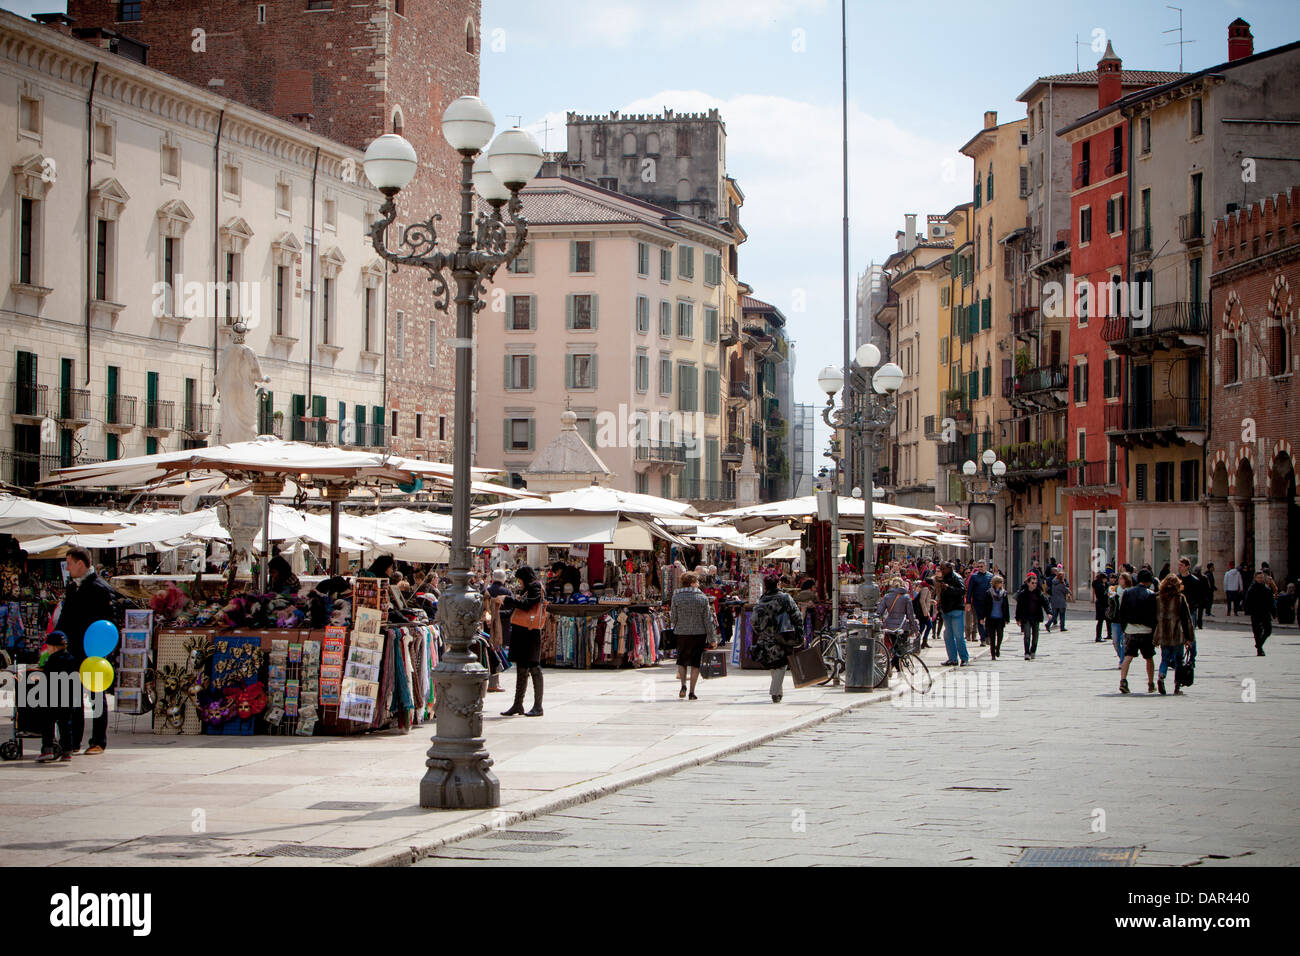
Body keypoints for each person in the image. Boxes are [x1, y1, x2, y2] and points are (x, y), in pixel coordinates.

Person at [56, 546, 118, 755]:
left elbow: (109, 621)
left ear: (80, 564)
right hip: (73, 650)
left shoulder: (99, 588)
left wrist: (104, 651)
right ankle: (73, 741)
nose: (68, 568)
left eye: (70, 563)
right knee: (72, 698)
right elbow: (66, 618)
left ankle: (98, 741)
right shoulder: (73, 587)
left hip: (94, 653)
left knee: (95, 697)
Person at [500, 566, 545, 716]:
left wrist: (507, 599)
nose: (519, 582)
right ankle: (518, 704)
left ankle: (538, 707)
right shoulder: (528, 589)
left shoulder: (535, 587)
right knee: (521, 668)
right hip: (522, 633)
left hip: (530, 633)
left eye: (519, 579)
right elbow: (516, 611)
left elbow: (527, 606)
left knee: (533, 667)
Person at [752, 575, 804, 703]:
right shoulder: (785, 598)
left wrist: (760, 632)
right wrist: (799, 632)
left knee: (773, 663)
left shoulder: (762, 600)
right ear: (778, 584)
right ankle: (775, 692)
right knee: (781, 663)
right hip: (783, 634)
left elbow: (754, 620)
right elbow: (796, 615)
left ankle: (778, 692)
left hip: (766, 636)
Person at [669, 571, 717, 701]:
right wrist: (713, 639)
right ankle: (692, 692)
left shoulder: (676, 597)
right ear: (692, 583)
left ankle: (683, 685)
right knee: (695, 663)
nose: (699, 584)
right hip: (698, 634)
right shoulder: (702, 598)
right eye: (697, 582)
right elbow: (708, 620)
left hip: (681, 633)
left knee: (682, 661)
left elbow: (673, 618)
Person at [36, 631, 78, 763]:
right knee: (66, 725)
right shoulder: (71, 659)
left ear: (53, 647)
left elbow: (47, 677)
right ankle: (67, 752)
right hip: (68, 698)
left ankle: (47, 750)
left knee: (47, 723)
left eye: (47, 646)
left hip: (53, 698)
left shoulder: (52, 660)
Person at [1153, 573, 1196, 696]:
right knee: (1178, 660)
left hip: (1163, 633)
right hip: (1177, 634)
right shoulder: (1180, 598)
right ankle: (1177, 686)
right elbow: (1186, 619)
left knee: (1165, 658)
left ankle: (1161, 676)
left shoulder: (1158, 598)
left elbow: (1154, 618)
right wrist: (1189, 638)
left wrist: (1155, 637)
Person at [1117, 568, 1158, 694]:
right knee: (1149, 658)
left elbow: (1122, 612)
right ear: (1148, 581)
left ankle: (1123, 680)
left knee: (1128, 656)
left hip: (1131, 629)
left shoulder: (1128, 592)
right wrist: (1154, 631)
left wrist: (1124, 628)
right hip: (1146, 630)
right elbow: (1154, 615)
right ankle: (1151, 683)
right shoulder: (1151, 594)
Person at [936, 562, 968, 666]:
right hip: (946, 610)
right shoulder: (943, 578)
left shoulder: (957, 577)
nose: (942, 571)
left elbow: (962, 590)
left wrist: (949, 588)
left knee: (958, 635)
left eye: (943, 569)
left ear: (949, 568)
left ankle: (964, 658)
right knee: (948, 636)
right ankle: (952, 658)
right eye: (941, 569)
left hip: (956, 609)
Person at [485, 569, 512, 693]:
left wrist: (492, 614)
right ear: (504, 579)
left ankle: (491, 681)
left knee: (489, 655)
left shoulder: (486, 591)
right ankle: (494, 683)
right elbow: (511, 611)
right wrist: (498, 614)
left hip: (487, 628)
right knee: (498, 654)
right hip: (502, 629)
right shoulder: (506, 592)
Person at [1014, 571, 1048, 660]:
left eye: (1036, 583)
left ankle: (1033, 651)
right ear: (1028, 583)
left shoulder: (1039, 593)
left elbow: (1045, 603)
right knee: (1027, 635)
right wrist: (1018, 619)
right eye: (1032, 583)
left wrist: (1049, 613)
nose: (1034, 585)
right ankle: (1027, 653)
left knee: (1035, 636)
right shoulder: (1023, 594)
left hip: (1036, 617)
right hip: (1026, 618)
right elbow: (1019, 607)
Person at [1243, 570, 1275, 657]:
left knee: (1268, 630)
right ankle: (1259, 650)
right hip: (1255, 613)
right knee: (1257, 632)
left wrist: (1273, 612)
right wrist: (1248, 611)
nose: (1260, 579)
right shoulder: (1252, 589)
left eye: (1261, 577)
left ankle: (1259, 644)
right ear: (1255, 578)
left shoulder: (1266, 589)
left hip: (1265, 613)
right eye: (1258, 578)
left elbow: (1271, 602)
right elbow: (1247, 601)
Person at [980, 574, 1010, 660]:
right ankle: (993, 654)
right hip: (991, 618)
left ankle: (998, 648)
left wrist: (1007, 618)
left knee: (1000, 635)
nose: (1002, 584)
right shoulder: (989, 593)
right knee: (992, 637)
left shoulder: (1004, 593)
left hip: (1000, 618)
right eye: (1000, 582)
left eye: (1002, 582)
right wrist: (982, 617)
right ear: (996, 583)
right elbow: (985, 606)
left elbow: (1006, 606)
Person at [966, 560, 993, 647]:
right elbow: (969, 590)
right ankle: (983, 639)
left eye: (982, 566)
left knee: (988, 620)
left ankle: (988, 635)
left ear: (985, 566)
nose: (980, 568)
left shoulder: (990, 576)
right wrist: (968, 602)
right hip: (978, 602)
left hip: (988, 602)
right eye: (979, 566)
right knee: (979, 620)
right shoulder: (974, 577)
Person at [1110, 571, 1132, 665]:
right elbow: (1110, 603)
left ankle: (1123, 661)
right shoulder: (1114, 590)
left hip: (1126, 620)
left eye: (1121, 579)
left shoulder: (1131, 592)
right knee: (1115, 641)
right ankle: (1121, 656)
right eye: (1119, 579)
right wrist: (1111, 597)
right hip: (1116, 618)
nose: (1119, 580)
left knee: (1124, 642)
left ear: (1126, 580)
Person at [915, 576, 935, 648]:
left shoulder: (924, 588)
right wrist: (925, 612)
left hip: (922, 612)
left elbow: (924, 600)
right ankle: (922, 641)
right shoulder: (926, 588)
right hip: (923, 612)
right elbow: (922, 600)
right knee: (929, 626)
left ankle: (920, 642)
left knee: (922, 627)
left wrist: (931, 601)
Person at [1092, 570, 1111, 643]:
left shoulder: (1105, 585)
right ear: (1102, 579)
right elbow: (1103, 594)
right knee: (1100, 621)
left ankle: (1109, 634)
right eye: (1106, 578)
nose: (1107, 580)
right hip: (1101, 604)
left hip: (1105, 604)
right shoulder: (1099, 586)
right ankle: (1098, 637)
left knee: (1108, 620)